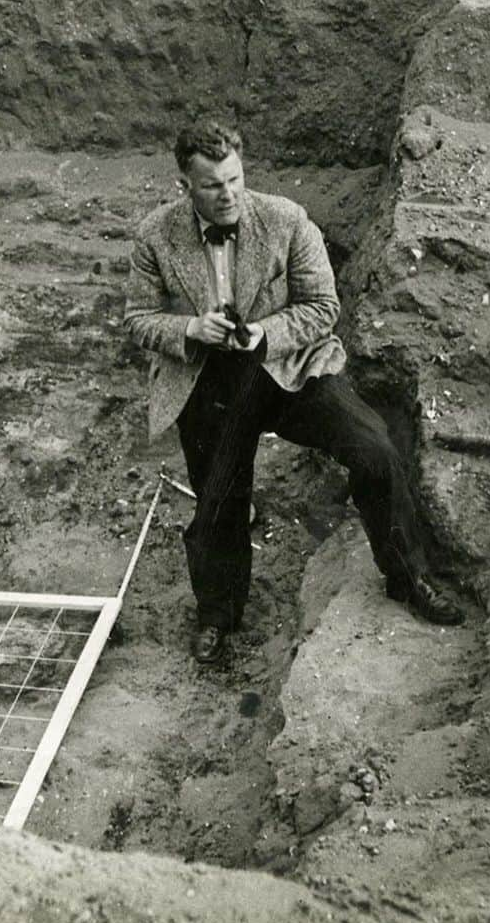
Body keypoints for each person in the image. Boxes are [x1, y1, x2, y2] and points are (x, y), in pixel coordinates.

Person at [124, 121, 464, 665]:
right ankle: (218, 614)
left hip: (290, 368)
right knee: (218, 500)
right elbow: (138, 319)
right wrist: (189, 330)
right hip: (208, 378)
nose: (228, 194)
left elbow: (324, 307)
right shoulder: (155, 236)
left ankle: (409, 576)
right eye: (212, 186)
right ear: (184, 184)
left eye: (234, 179)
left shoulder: (285, 219)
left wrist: (266, 334)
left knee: (374, 450)